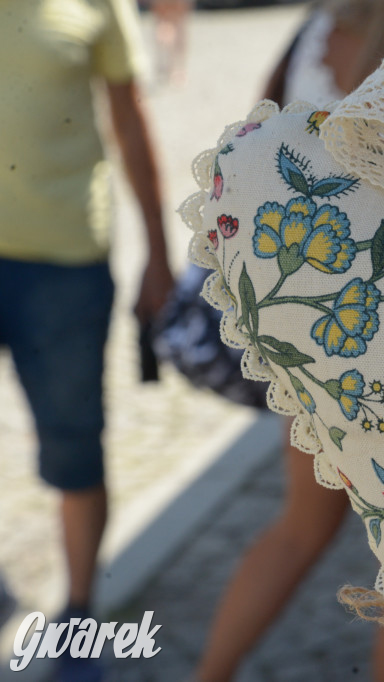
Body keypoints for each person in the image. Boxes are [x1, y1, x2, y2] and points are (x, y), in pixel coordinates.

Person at [193, 3, 384, 680]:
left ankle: (209, 674)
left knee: (324, 538)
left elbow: (254, 130)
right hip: (373, 333)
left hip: (327, 334)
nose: (322, 59)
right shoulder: (378, 52)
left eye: (335, 44)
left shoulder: (331, 42)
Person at [0, 0, 173, 679]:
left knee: (73, 443)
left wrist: (158, 254)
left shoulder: (95, 5)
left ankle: (78, 616)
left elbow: (129, 122)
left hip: (66, 265)